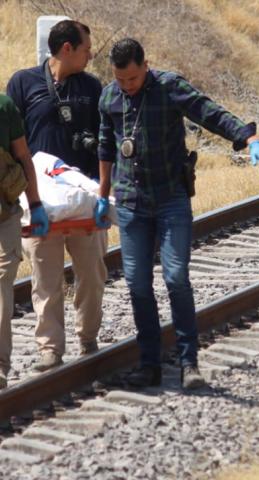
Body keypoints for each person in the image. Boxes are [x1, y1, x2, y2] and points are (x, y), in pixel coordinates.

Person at [96, 38, 259, 389]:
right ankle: (149, 365)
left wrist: (248, 139)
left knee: (176, 277)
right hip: (131, 203)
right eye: (121, 80)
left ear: (145, 65)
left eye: (132, 79)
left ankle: (188, 363)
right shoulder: (108, 97)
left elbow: (209, 112)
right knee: (137, 284)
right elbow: (106, 144)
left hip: (170, 199)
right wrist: (102, 196)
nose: (127, 87)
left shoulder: (169, 86)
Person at [6, 20, 107, 371]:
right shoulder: (23, 82)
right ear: (67, 48)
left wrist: (104, 195)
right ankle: (50, 350)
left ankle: (88, 337)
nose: (90, 54)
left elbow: (105, 142)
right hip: (40, 203)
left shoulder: (92, 87)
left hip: (82, 201)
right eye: (86, 48)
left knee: (92, 276)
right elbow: (13, 141)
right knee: (45, 282)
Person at [0, 93, 49, 389]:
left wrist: (36, 204)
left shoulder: (4, 107)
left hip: (5, 213)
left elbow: (23, 157)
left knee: (2, 283)